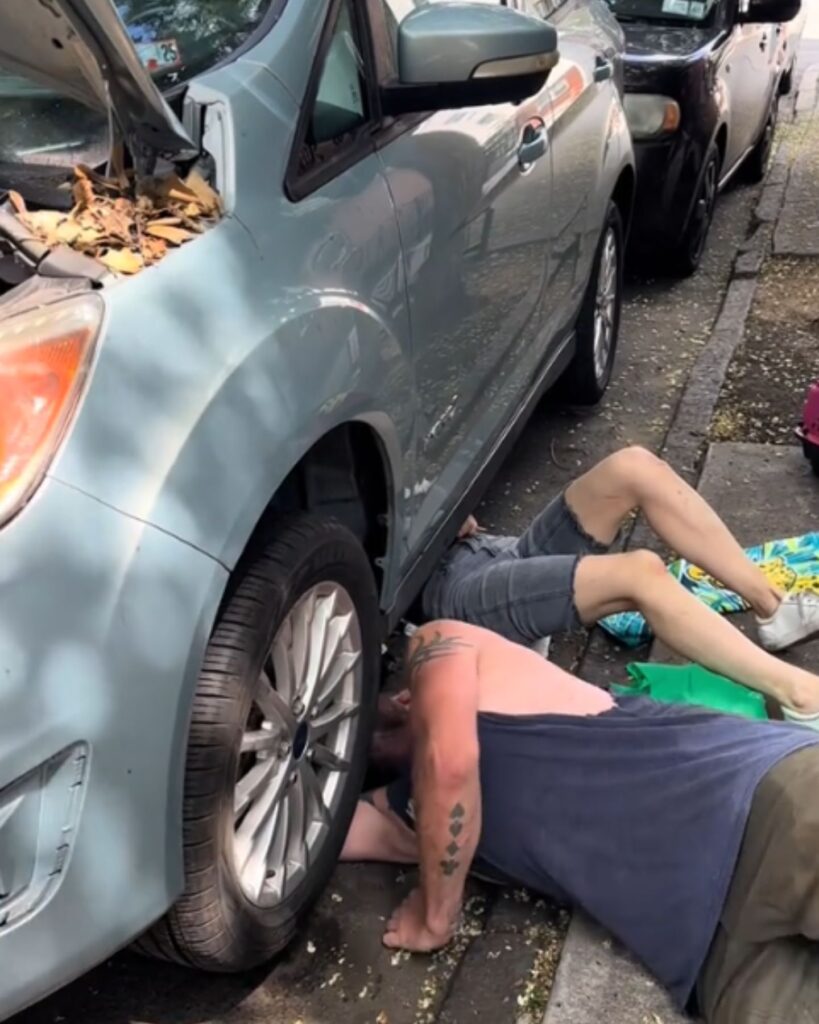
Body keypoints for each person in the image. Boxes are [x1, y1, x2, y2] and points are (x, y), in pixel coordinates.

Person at [344, 620, 819, 1024]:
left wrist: (434, 916)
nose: (345, 740)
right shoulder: (410, 817)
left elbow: (449, 763)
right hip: (707, 950)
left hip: (757, 800)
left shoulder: (444, 645)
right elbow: (291, 860)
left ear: (401, 697)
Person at [421, 445, 819, 726]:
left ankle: (773, 606)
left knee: (635, 466)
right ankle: (799, 693)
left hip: (488, 549)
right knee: (640, 572)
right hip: (450, 585)